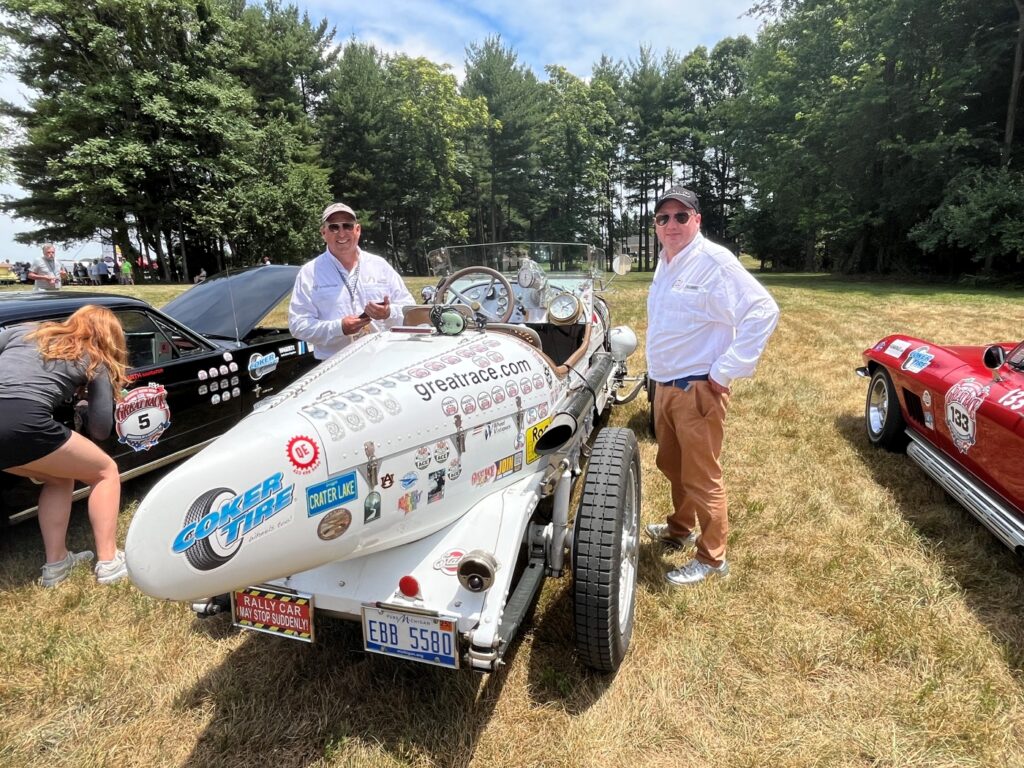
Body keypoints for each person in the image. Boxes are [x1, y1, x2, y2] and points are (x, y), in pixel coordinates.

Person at [645, 186, 780, 586]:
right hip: (665, 387)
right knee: (672, 465)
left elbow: (763, 310)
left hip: (697, 389)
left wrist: (725, 371)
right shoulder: (666, 261)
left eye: (680, 216)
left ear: (697, 220)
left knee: (702, 476)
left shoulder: (714, 262)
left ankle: (712, 557)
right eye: (663, 218)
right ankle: (680, 528)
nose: (671, 224)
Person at [0, 305, 130, 586]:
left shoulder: (24, 331)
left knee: (59, 478)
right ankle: (109, 562)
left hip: (12, 421)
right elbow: (100, 429)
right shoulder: (96, 358)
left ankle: (57, 565)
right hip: (24, 420)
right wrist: (85, 402)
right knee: (105, 471)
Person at [289, 202, 414, 361]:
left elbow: (410, 310)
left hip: (383, 359)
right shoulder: (309, 273)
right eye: (334, 227)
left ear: (357, 230)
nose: (341, 234)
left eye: (347, 226)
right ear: (323, 233)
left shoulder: (380, 265)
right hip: (335, 365)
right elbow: (298, 326)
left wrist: (389, 313)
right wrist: (339, 328)